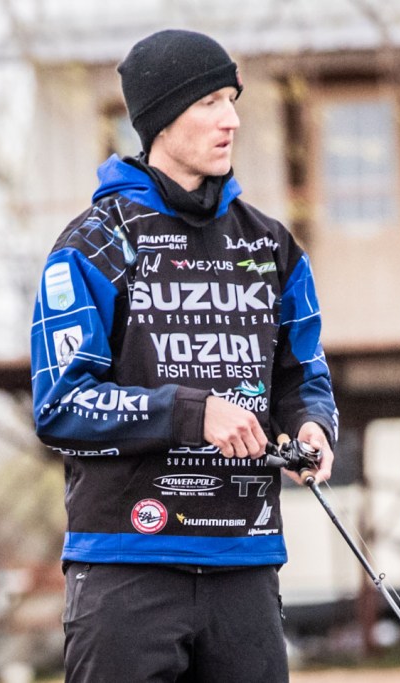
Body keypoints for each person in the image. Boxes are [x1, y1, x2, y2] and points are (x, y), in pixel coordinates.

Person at [29, 28, 339, 682]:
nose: (231, 120)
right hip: (125, 564)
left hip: (245, 565)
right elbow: (62, 406)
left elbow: (302, 375)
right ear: (161, 121)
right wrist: (194, 413)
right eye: (208, 103)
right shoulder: (93, 245)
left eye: (232, 100)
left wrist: (312, 425)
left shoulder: (273, 247)